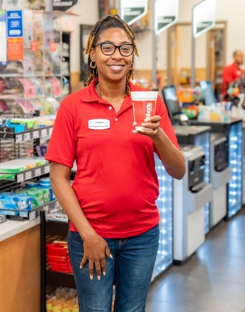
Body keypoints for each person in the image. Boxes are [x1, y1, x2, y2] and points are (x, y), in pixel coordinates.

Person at [46, 14, 185, 312]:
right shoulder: (72, 107)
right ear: (92, 53)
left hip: (142, 236)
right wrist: (88, 235)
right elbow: (58, 178)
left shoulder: (150, 103)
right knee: (95, 309)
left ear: (132, 55)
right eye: (107, 47)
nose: (116, 55)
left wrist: (158, 134)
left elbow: (178, 170)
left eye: (124, 48)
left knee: (132, 309)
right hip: (91, 234)